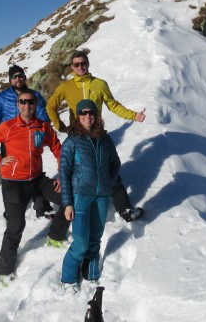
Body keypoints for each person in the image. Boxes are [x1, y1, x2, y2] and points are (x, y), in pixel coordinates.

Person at [0, 89, 67, 286]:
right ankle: (4, 269)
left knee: (68, 200)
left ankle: (55, 237)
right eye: (23, 102)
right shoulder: (8, 127)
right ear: (18, 105)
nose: (27, 106)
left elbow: (58, 148)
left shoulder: (42, 127)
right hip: (14, 183)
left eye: (30, 102)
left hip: (37, 179)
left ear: (35, 105)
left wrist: (63, 174)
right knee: (16, 226)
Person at [46, 51, 145, 222]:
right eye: (76, 64)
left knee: (106, 167)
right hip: (76, 134)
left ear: (88, 64)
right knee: (76, 170)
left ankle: (125, 209)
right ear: (72, 67)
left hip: (96, 133)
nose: (80, 67)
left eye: (83, 63)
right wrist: (61, 126)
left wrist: (133, 115)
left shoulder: (99, 84)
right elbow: (50, 106)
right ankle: (73, 206)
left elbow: (113, 105)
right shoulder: (65, 87)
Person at [59, 100, 120, 292]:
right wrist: (68, 203)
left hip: (101, 195)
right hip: (80, 196)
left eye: (91, 113)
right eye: (83, 113)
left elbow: (115, 163)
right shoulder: (72, 141)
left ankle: (91, 272)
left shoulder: (105, 139)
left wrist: (108, 182)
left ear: (96, 115)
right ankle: (68, 279)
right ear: (77, 116)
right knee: (80, 242)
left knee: (95, 237)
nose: (87, 116)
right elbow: (64, 173)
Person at [0, 65, 54, 220]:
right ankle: (11, 208)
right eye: (14, 77)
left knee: (36, 172)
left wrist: (42, 136)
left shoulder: (35, 96)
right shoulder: (2, 98)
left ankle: (41, 206)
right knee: (9, 174)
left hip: (32, 139)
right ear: (10, 80)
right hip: (9, 142)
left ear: (25, 77)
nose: (18, 79)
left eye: (20, 75)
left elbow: (44, 118)